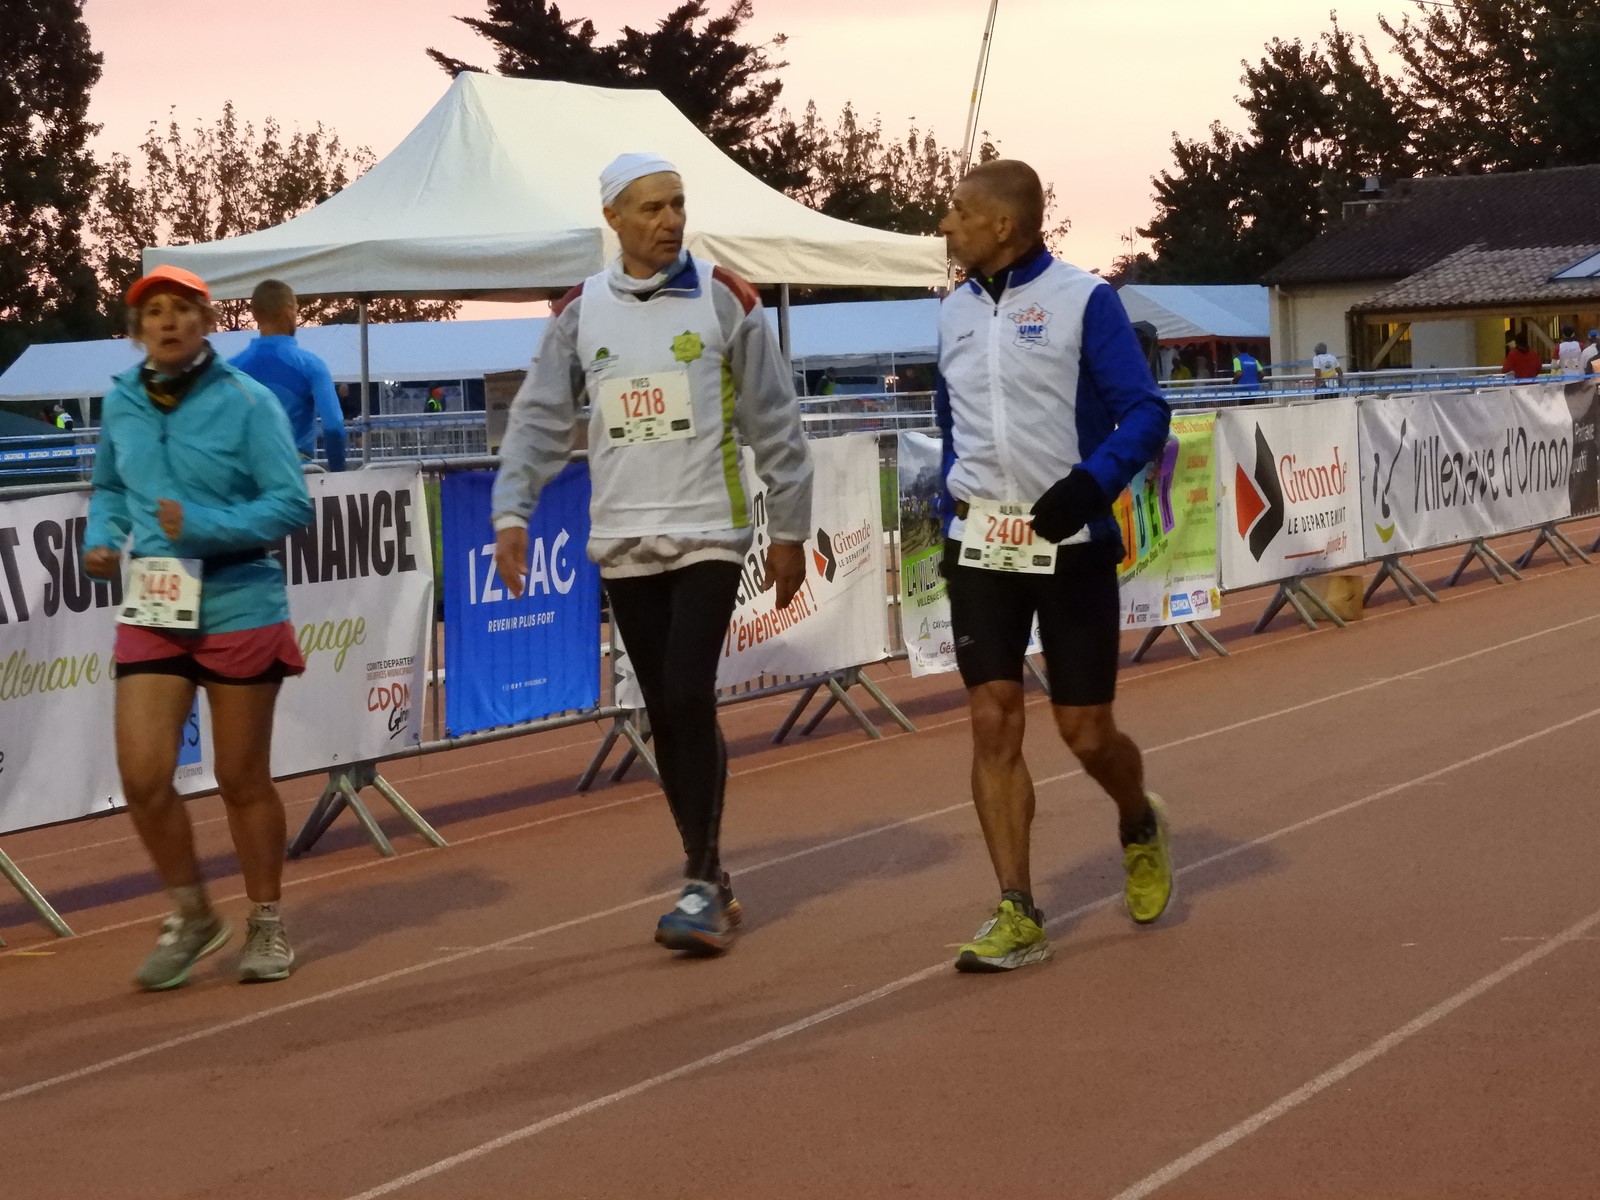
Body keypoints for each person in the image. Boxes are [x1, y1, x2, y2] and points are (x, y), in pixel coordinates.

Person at [491, 153, 814, 955]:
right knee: (665, 710)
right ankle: (710, 875)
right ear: (613, 219)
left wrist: (790, 529)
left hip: (709, 531)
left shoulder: (725, 298)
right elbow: (538, 419)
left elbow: (775, 420)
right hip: (623, 540)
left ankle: (699, 880)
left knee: (687, 693)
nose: (670, 221)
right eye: (651, 208)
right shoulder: (579, 312)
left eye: (677, 204)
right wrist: (511, 510)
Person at [935, 159, 1174, 973]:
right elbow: (952, 424)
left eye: (958, 212)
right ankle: (1017, 908)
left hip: (1071, 542)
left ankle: (1138, 818)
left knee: (1085, 731)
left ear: (1002, 225)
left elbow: (1145, 413)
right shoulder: (953, 312)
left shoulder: (1084, 300)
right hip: (982, 545)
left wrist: (1089, 486)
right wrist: (954, 505)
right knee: (993, 716)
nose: (946, 226)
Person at [84, 264, 313, 990]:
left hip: (239, 597)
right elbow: (110, 487)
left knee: (240, 777)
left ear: (207, 322)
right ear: (138, 330)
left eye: (182, 308)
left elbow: (291, 504)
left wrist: (206, 524)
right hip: (156, 598)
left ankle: (266, 920)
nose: (168, 321)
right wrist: (102, 536)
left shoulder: (248, 401)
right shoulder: (121, 400)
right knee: (143, 777)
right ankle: (191, 914)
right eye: (154, 311)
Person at [229, 279, 347, 471]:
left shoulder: (231, 368)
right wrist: (339, 473)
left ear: (255, 314)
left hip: (247, 474)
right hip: (295, 471)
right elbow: (333, 426)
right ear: (289, 311)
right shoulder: (311, 365)